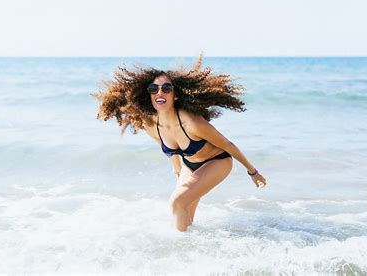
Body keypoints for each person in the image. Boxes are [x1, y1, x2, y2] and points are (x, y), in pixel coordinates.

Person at [91, 54, 267, 232]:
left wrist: (252, 172)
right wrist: (177, 169)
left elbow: (227, 145)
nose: (160, 92)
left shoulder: (191, 122)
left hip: (217, 162)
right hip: (190, 165)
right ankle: (192, 249)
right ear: (149, 95)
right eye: (154, 88)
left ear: (175, 95)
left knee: (176, 202)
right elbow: (167, 148)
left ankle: (181, 246)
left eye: (166, 88)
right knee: (184, 212)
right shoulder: (150, 124)